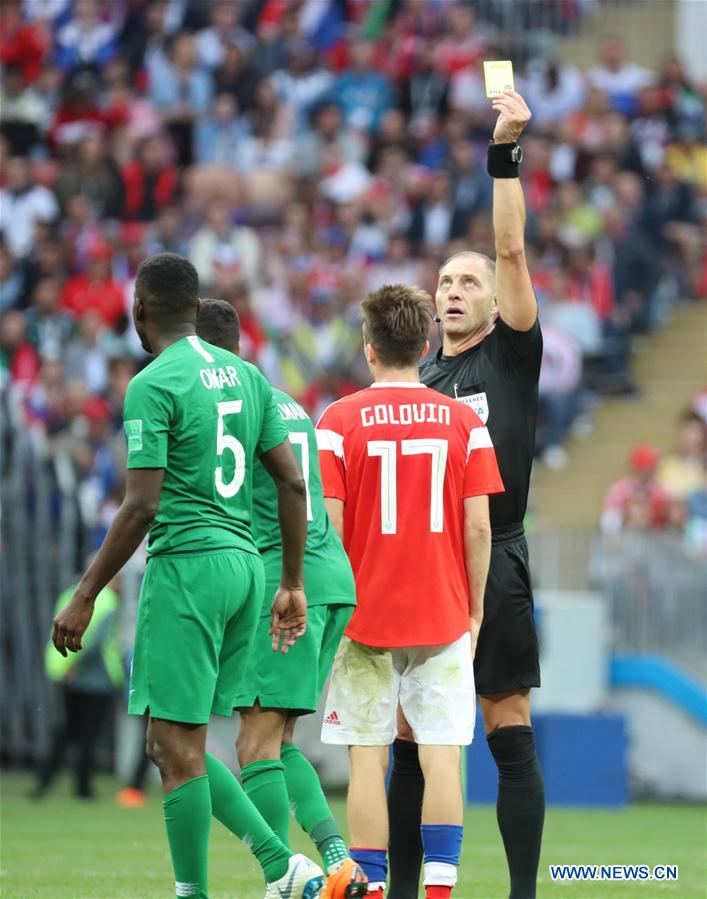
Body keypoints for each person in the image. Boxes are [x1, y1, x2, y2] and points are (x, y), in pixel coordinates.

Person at [51, 253, 323, 898]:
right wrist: (291, 582)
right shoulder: (247, 374)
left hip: (189, 569)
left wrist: (85, 594)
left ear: (139, 309)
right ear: (196, 309)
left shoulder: (153, 383)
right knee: (177, 744)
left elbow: (142, 504)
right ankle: (283, 867)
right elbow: (291, 479)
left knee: (174, 746)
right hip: (245, 571)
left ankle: (218, 885)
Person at [388, 90, 546, 899]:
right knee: (410, 736)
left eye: (466, 281)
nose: (450, 290)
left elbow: (511, 250)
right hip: (427, 563)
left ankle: (521, 893)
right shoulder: (418, 380)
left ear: (492, 300)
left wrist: (504, 150)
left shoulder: (511, 355)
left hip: (498, 556)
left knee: (503, 723)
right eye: (442, 280)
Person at [316, 284, 504, 897]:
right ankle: (441, 888)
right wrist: (474, 608)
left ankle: (370, 887)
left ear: (369, 349)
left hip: (363, 614)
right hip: (443, 610)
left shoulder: (337, 420)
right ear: (423, 346)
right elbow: (480, 524)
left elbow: (332, 527)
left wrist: (334, 607)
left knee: (368, 757)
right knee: (442, 754)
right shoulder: (465, 421)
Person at [195, 298, 367, 898]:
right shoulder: (290, 404)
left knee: (254, 743)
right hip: (331, 580)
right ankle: (336, 861)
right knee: (281, 739)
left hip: (287, 583)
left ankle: (289, 880)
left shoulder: (232, 407)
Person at [32, 577, 123, 800]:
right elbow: (98, 642)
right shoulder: (108, 600)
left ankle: (44, 781)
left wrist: (67, 666)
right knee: (88, 734)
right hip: (95, 679)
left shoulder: (69, 594)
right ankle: (83, 788)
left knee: (66, 731)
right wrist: (77, 665)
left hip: (66, 672)